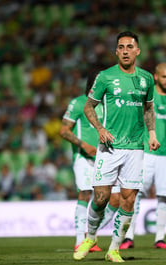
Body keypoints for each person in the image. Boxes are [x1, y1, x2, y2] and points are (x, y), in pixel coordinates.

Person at [73, 31, 160, 263]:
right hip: (110, 147)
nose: (125, 51)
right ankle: (90, 237)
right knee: (100, 198)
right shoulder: (104, 77)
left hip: (135, 148)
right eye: (120, 47)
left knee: (128, 199)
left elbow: (149, 108)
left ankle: (114, 249)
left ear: (137, 51)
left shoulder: (147, 79)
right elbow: (89, 107)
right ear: (116, 51)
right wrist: (100, 129)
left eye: (129, 47)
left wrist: (151, 133)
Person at [120, 62, 166, 250]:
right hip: (146, 152)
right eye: (165, 76)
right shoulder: (146, 95)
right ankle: (128, 237)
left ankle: (160, 238)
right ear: (156, 77)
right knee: (135, 194)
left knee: (164, 196)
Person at [60, 70, 119, 253]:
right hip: (84, 157)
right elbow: (64, 130)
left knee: (115, 199)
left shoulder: (109, 105)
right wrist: (83, 145)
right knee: (85, 193)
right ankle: (79, 240)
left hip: (106, 157)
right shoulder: (78, 103)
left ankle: (91, 236)